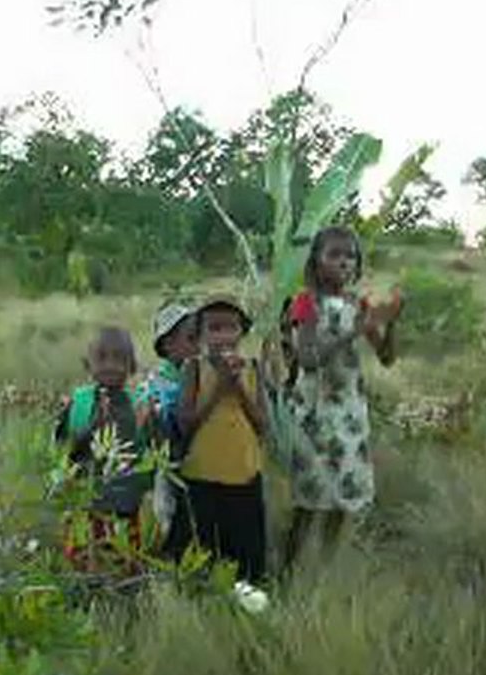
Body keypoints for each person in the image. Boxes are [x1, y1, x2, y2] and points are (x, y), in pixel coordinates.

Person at [281, 225, 403, 571]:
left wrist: (389, 323)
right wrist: (354, 331)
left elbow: (387, 357)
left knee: (342, 499)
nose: (343, 263)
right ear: (316, 262)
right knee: (308, 499)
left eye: (350, 256)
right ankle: (287, 570)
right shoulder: (306, 303)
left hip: (349, 413)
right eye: (334, 255)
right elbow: (307, 359)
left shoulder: (358, 303)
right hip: (314, 413)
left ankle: (323, 568)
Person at [164, 295, 270, 586]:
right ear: (199, 336)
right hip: (202, 477)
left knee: (244, 561)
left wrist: (237, 387)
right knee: (198, 554)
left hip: (243, 475)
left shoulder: (252, 368)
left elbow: (263, 425)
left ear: (242, 332)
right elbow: (186, 424)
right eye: (214, 328)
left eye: (231, 328)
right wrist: (218, 387)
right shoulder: (193, 369)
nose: (223, 336)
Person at [54, 326, 152, 573]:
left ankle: (126, 601)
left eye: (119, 359)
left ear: (131, 366)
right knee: (83, 560)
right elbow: (64, 450)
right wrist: (92, 427)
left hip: (124, 503)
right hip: (84, 500)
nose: (110, 365)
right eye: (102, 357)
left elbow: (146, 452)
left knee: (125, 561)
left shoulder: (138, 404)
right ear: (88, 364)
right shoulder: (78, 403)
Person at [134, 301, 198, 537]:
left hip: (200, 461)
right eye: (191, 339)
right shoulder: (157, 382)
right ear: (169, 344)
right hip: (169, 465)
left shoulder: (201, 374)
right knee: (171, 518)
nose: (199, 345)